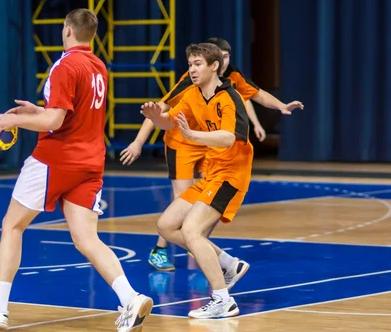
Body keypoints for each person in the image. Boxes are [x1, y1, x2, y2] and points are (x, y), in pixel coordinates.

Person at [0, 8, 153, 332]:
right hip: (90, 161)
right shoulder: (98, 66)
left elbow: (55, 123)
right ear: (92, 34)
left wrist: (15, 120)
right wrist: (37, 111)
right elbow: (67, 113)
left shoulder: (66, 64)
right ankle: (131, 299)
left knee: (12, 225)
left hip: (56, 160)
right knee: (86, 239)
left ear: (66, 30)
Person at [120, 37, 303, 272]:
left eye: (227, 57)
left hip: (211, 144)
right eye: (192, 64)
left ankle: (203, 250)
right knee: (181, 203)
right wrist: (137, 142)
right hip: (182, 141)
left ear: (220, 62)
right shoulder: (191, 82)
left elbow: (255, 95)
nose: (224, 61)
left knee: (207, 205)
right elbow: (160, 110)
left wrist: (281, 106)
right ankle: (162, 249)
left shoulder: (231, 82)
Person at [141, 43, 253, 318]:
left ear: (214, 66)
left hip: (231, 173)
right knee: (166, 225)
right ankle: (228, 264)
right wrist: (157, 118)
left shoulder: (229, 98)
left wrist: (193, 137)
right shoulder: (192, 94)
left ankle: (222, 299)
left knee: (192, 230)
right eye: (190, 64)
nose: (192, 69)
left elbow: (229, 137)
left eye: (198, 64)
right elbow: (171, 121)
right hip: (212, 172)